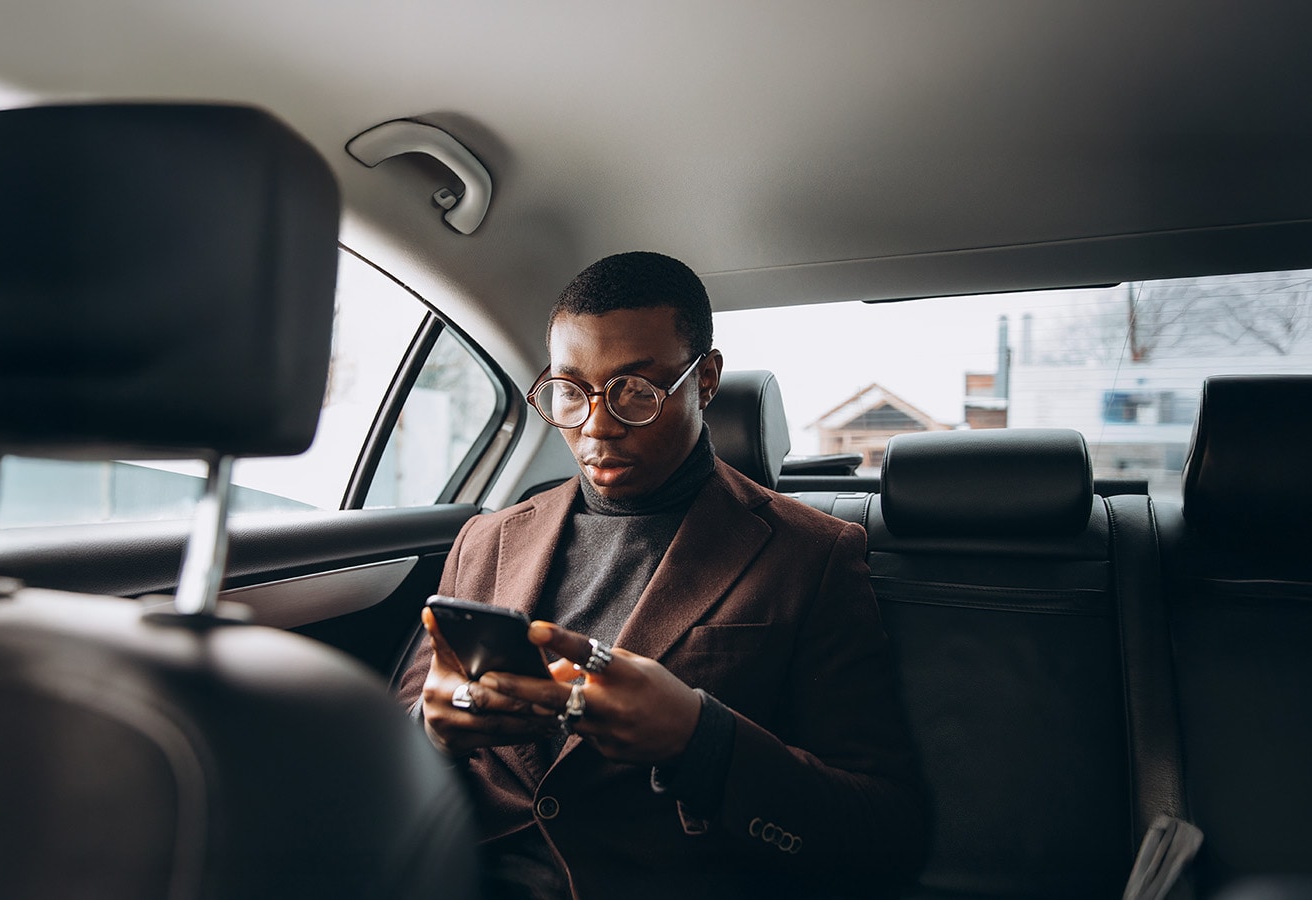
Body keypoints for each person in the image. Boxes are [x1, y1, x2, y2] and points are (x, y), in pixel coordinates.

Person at [396, 251, 927, 899]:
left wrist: (700, 740)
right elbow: (393, 744)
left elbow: (887, 829)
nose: (597, 426)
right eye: (571, 392)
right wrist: (433, 731)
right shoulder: (486, 540)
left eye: (637, 392)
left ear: (705, 381)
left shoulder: (812, 554)